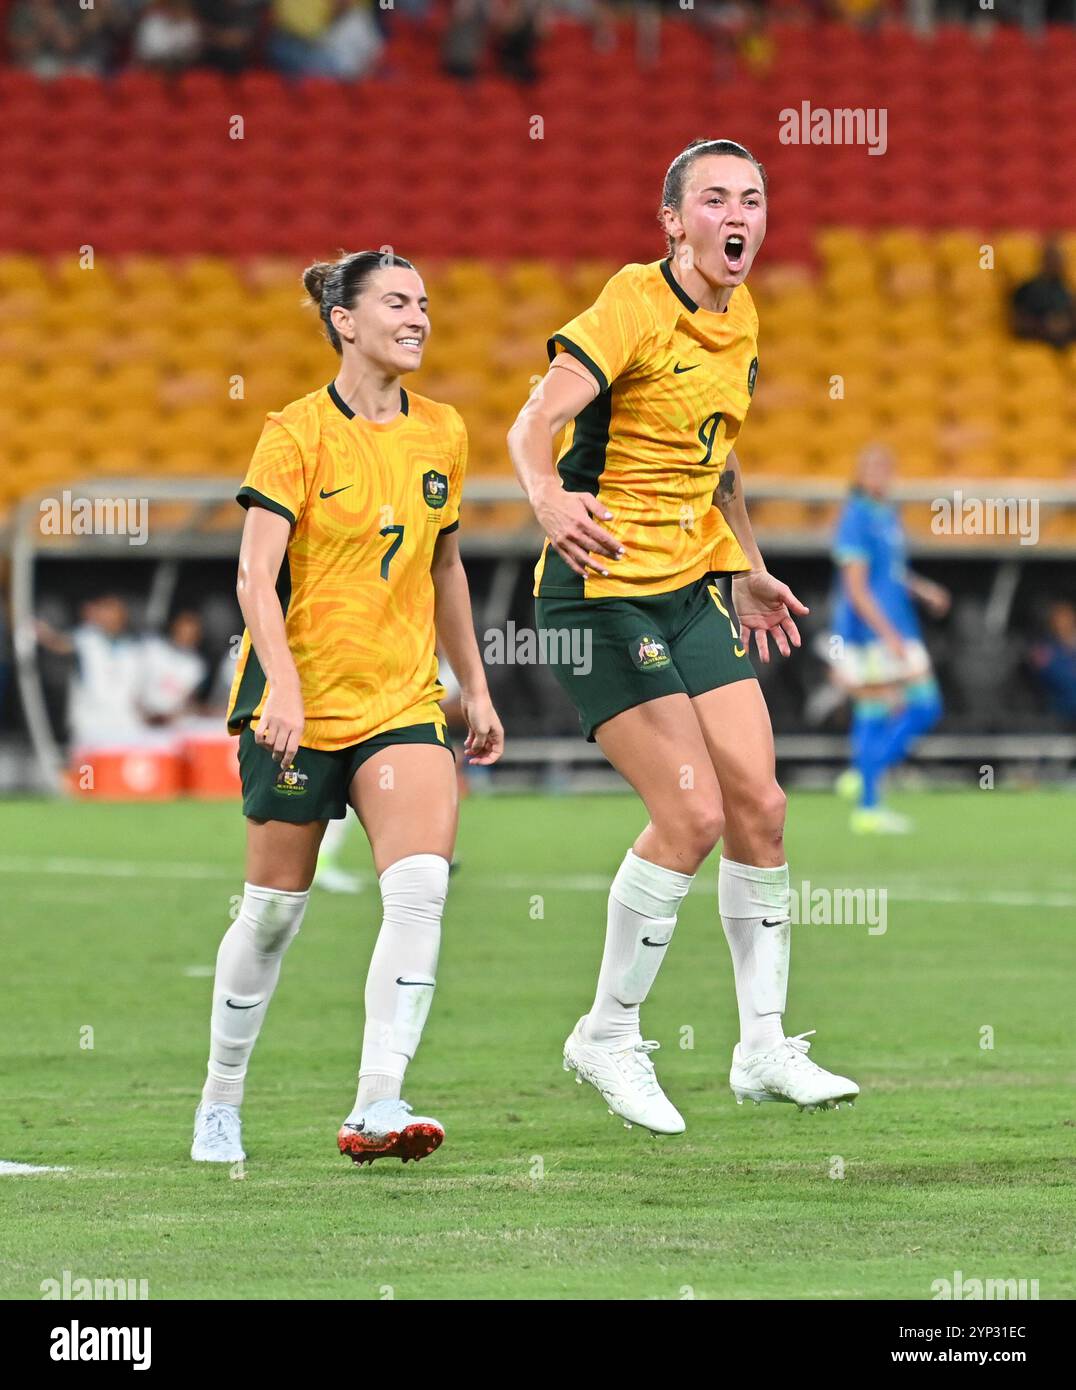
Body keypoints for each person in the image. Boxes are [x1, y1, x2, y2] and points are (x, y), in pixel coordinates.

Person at [507, 138, 858, 1136]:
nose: (734, 215)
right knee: (692, 811)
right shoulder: (629, 301)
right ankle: (607, 1031)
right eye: (711, 199)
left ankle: (760, 1046)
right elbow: (531, 421)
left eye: (750, 198)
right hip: (599, 587)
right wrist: (544, 498)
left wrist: (745, 562)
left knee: (760, 803)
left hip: (689, 581)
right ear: (672, 222)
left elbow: (719, 456)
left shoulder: (740, 314)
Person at [191, 250, 503, 1168]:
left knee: (420, 890)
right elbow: (254, 572)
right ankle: (220, 1100)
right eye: (397, 303)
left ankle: (378, 1098)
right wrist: (282, 684)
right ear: (345, 320)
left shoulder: (444, 430)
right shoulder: (294, 432)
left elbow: (447, 568)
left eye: (425, 304)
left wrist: (471, 686)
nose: (418, 318)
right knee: (273, 914)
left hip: (401, 700)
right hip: (296, 702)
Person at [829, 444, 948, 833]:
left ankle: (865, 788)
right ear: (860, 475)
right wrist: (888, 634)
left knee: (880, 710)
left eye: (886, 467)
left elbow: (891, 572)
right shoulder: (857, 516)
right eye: (874, 468)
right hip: (880, 632)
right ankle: (867, 787)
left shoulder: (887, 515)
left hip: (898, 624)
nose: (881, 475)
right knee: (918, 705)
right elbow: (857, 589)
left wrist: (923, 589)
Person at [1010, 240, 1076, 350]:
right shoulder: (1027, 289)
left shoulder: (1065, 289)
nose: (1058, 265)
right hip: (1036, 343)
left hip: (1065, 344)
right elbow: (1017, 322)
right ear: (1043, 262)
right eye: (1054, 260)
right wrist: (1045, 326)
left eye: (1060, 261)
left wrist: (1066, 325)